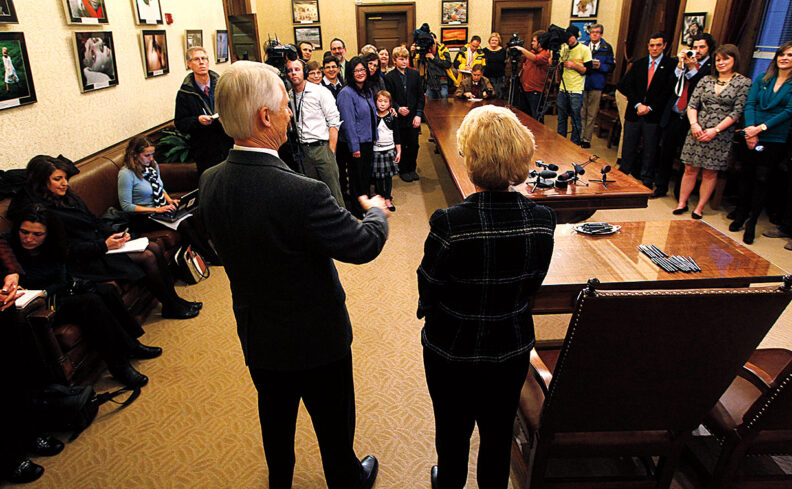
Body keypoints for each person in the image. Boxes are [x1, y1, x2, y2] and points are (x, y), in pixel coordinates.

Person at [199, 60, 389, 489]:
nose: (291, 114)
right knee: (334, 422)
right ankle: (346, 478)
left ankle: (279, 481)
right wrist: (376, 214)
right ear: (265, 116)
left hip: (258, 333)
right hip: (318, 340)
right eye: (286, 106)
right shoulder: (302, 192)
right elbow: (363, 246)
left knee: (275, 418)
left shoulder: (210, 181)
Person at [418, 105, 555, 489]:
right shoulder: (543, 219)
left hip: (451, 349)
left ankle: (449, 481)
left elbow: (428, 288)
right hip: (510, 347)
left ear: (470, 160)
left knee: (452, 433)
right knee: (497, 435)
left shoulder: (449, 223)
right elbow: (533, 285)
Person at [8, 155, 201, 320]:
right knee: (147, 256)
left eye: (65, 178)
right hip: (84, 259)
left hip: (101, 243)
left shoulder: (68, 197)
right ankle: (171, 305)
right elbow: (66, 250)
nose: (65, 183)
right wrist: (104, 245)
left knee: (153, 247)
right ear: (43, 181)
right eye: (58, 179)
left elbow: (92, 220)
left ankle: (173, 301)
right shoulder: (42, 213)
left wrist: (113, 234)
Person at [2, 205, 162, 388]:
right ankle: (120, 367)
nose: (29, 239)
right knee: (90, 302)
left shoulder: (55, 247)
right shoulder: (8, 245)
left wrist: (45, 291)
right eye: (24, 232)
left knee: (106, 290)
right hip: (42, 306)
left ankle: (132, 345)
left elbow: (60, 281)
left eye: (37, 235)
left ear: (48, 234)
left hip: (53, 293)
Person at [674, 44, 750, 220]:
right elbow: (693, 104)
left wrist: (715, 130)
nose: (721, 63)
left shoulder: (743, 82)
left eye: (725, 59)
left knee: (710, 171)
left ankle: (699, 207)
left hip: (720, 133)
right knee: (690, 168)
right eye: (718, 60)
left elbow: (736, 112)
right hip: (697, 129)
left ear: (734, 60)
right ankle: (682, 203)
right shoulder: (706, 80)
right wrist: (694, 124)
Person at [118, 136, 219, 262]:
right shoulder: (126, 174)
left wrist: (169, 200)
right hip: (143, 217)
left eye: (152, 154)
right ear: (134, 155)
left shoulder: (152, 166)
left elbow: (160, 188)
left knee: (192, 216)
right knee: (183, 224)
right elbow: (126, 206)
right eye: (147, 155)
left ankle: (210, 252)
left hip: (160, 210)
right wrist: (158, 209)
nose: (151, 158)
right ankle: (209, 257)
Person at [730, 41, 792, 245]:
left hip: (774, 137)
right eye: (782, 54)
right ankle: (740, 214)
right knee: (745, 174)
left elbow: (788, 111)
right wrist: (750, 129)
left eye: (790, 55)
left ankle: (752, 222)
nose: (784, 58)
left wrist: (761, 128)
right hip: (751, 133)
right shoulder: (762, 78)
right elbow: (750, 104)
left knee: (762, 178)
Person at [654, 33, 715, 198]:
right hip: (674, 113)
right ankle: (660, 187)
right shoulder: (681, 62)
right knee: (665, 153)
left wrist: (693, 69)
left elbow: (700, 88)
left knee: (686, 159)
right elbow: (669, 84)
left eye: (702, 47)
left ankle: (680, 193)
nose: (697, 51)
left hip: (693, 120)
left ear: (709, 48)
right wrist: (680, 66)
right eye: (695, 47)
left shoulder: (711, 67)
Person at [616, 32, 676, 187]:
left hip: (653, 115)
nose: (654, 48)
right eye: (651, 45)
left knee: (650, 149)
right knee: (628, 145)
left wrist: (650, 107)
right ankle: (624, 174)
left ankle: (646, 179)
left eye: (658, 45)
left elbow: (668, 91)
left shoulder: (671, 66)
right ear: (648, 46)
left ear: (664, 46)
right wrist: (637, 104)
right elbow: (627, 86)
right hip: (634, 112)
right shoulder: (639, 64)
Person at [285, 58, 345, 208]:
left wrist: (331, 151)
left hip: (322, 148)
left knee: (333, 194)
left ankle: (341, 228)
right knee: (311, 195)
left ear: (304, 72)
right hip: (302, 151)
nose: (293, 73)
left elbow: (334, 122)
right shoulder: (288, 96)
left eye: (297, 69)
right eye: (290, 70)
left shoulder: (320, 92)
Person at [174, 46, 233, 176]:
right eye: (196, 59)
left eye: (204, 58)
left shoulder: (223, 85)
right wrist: (197, 121)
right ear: (189, 64)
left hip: (228, 143)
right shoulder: (185, 93)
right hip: (205, 150)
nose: (201, 62)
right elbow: (180, 123)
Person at [338, 57, 379, 218]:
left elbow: (370, 115)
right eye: (356, 70)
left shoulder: (367, 90)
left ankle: (366, 204)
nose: (360, 73)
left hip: (368, 141)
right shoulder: (346, 93)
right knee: (357, 178)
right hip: (356, 144)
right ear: (350, 72)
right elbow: (348, 123)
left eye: (363, 70)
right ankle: (357, 209)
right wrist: (354, 148)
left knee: (365, 176)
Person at [385, 46, 424, 183]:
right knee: (402, 143)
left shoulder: (415, 75)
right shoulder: (389, 77)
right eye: (401, 59)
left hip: (413, 115)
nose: (404, 62)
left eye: (406, 58)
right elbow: (389, 98)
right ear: (395, 60)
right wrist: (397, 107)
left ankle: (412, 168)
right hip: (399, 117)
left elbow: (420, 96)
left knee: (414, 144)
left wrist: (418, 114)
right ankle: (403, 169)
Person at [557, 25, 592, 146]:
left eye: (571, 37)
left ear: (576, 36)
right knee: (561, 117)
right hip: (563, 87)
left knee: (575, 118)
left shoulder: (584, 49)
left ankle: (574, 143)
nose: (569, 40)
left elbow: (589, 70)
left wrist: (574, 65)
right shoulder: (564, 49)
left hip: (576, 89)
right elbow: (557, 64)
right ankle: (560, 140)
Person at [580, 24, 614, 148]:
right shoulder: (583, 46)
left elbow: (611, 66)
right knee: (582, 111)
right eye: (592, 32)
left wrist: (601, 67)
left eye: (597, 32)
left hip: (597, 83)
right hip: (583, 82)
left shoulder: (606, 47)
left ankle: (586, 139)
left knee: (591, 113)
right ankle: (580, 135)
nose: (594, 34)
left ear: (601, 34)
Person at [372, 90, 401, 212]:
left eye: (385, 101)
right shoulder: (373, 116)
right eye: (380, 101)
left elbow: (397, 135)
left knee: (388, 176)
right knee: (379, 176)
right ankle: (381, 197)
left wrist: (398, 151)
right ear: (375, 102)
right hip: (376, 150)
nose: (382, 104)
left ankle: (388, 198)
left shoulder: (392, 117)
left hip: (389, 149)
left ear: (390, 103)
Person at [513, 31, 550, 119]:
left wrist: (521, 49)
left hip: (535, 90)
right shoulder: (533, 52)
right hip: (525, 89)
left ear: (540, 43)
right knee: (524, 116)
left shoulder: (545, 53)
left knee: (536, 116)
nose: (532, 43)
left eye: (534, 41)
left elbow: (535, 59)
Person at [416, 34, 454, 100]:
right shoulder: (425, 50)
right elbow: (418, 65)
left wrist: (433, 58)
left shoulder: (443, 50)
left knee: (444, 100)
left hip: (442, 80)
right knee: (429, 102)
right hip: (430, 81)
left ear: (436, 40)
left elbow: (448, 64)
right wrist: (414, 53)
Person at [482, 33, 507, 99]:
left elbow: (505, 63)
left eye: (496, 40)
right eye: (492, 40)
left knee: (499, 95)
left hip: (499, 77)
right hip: (487, 76)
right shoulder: (484, 50)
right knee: (488, 95)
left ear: (499, 42)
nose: (494, 42)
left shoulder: (503, 51)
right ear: (489, 41)